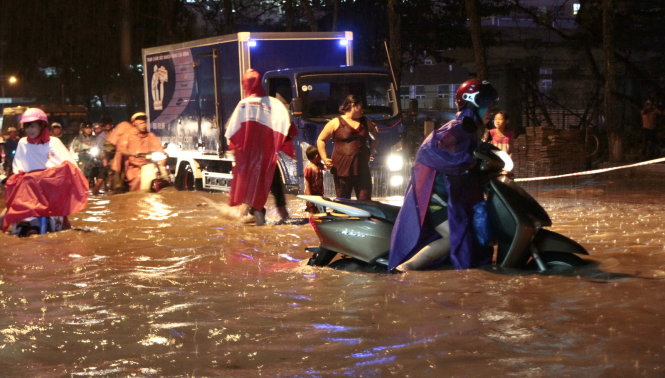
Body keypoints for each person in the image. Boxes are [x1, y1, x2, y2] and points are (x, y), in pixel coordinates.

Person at [389, 79, 499, 271]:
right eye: (485, 104)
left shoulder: (472, 130)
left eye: (491, 104)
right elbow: (429, 152)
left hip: (453, 197)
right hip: (437, 197)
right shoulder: (456, 128)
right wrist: (467, 162)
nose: (490, 109)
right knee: (454, 237)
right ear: (472, 104)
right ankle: (407, 268)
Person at [224, 69, 297, 225]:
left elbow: (232, 131)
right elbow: (287, 126)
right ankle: (285, 218)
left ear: (245, 84)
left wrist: (238, 152)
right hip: (268, 158)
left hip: (249, 160)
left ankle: (250, 219)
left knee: (248, 189)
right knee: (276, 186)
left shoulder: (243, 105)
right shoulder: (274, 104)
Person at [2, 108, 88, 234]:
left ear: (42, 126)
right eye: (27, 127)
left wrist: (50, 175)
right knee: (12, 200)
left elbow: (70, 165)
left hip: (50, 185)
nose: (29, 130)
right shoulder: (22, 143)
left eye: (32, 126)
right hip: (29, 187)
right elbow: (18, 167)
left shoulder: (54, 142)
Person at [316, 94, 378, 200]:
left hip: (362, 168)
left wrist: (371, 149)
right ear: (353, 105)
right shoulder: (336, 122)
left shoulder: (365, 121)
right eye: (361, 107)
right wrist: (325, 158)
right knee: (343, 200)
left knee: (365, 201)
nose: (363, 110)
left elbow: (375, 134)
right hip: (341, 168)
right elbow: (321, 140)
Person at [122, 112, 167, 192]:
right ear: (135, 123)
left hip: (149, 164)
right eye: (141, 123)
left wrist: (163, 153)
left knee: (165, 177)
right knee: (138, 179)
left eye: (144, 122)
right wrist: (132, 153)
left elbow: (159, 148)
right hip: (134, 167)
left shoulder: (150, 135)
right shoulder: (128, 136)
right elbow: (122, 149)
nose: (144, 125)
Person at [69, 121, 101, 187]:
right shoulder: (78, 138)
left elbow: (98, 146)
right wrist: (77, 149)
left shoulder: (94, 138)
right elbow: (74, 147)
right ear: (83, 129)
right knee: (83, 166)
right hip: (82, 155)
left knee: (98, 164)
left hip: (92, 155)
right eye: (86, 128)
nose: (88, 130)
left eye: (89, 128)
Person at [303, 145, 325, 214]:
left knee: (321, 212)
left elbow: (326, 167)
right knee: (313, 212)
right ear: (316, 156)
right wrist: (309, 199)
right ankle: (312, 223)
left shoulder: (319, 165)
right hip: (312, 196)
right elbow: (307, 184)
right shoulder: (309, 168)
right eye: (320, 154)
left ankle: (321, 223)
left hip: (319, 195)